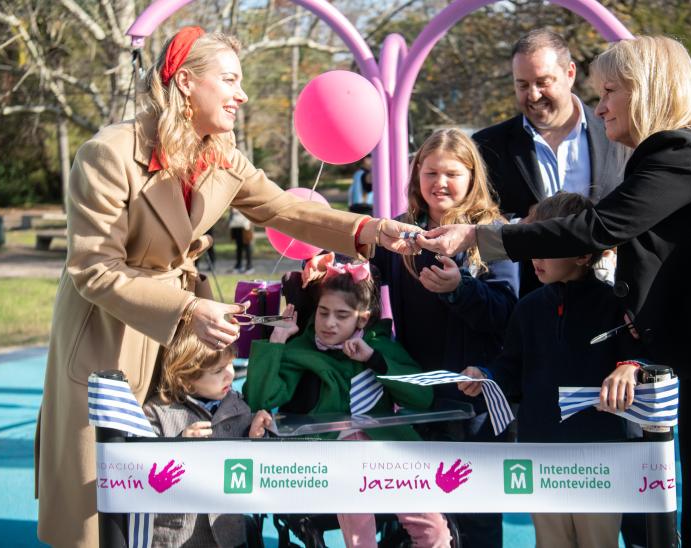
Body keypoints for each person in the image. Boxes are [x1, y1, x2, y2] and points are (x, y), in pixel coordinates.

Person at [420, 36, 691, 547]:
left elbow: (596, 227)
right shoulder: (667, 155)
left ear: (647, 90)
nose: (599, 106)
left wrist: (480, 235)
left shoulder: (680, 151)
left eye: (609, 91)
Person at [36, 26, 422, 547]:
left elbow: (285, 209)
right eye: (230, 80)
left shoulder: (220, 152)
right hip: (111, 334)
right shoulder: (108, 153)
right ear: (187, 83)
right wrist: (189, 306)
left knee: (181, 486)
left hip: (180, 336)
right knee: (106, 503)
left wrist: (369, 230)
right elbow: (93, 269)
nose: (242, 94)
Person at [458, 193, 638, 548]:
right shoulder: (528, 308)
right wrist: (487, 377)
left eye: (544, 247)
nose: (534, 257)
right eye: (532, 245)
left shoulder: (616, 307)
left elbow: (638, 359)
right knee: (550, 541)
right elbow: (511, 367)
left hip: (600, 454)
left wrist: (629, 367)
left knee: (597, 541)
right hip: (541, 448)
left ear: (584, 254)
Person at [370, 128, 518, 548]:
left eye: (451, 173)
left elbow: (508, 312)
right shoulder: (401, 233)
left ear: (472, 176)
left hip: (476, 402)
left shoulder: (491, 232)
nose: (440, 183)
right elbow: (361, 276)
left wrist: (459, 289)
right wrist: (340, 270)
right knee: (424, 524)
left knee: (476, 524)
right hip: (417, 399)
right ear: (416, 175)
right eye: (430, 172)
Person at [243, 264, 451, 548]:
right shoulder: (302, 350)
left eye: (342, 316)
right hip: (334, 457)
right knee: (360, 540)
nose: (329, 323)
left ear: (362, 319)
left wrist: (375, 360)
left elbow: (422, 398)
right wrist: (277, 341)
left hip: (390, 454)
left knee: (436, 533)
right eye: (323, 312)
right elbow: (260, 399)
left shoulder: (380, 347)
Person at [473, 29, 627, 297]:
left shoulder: (618, 134)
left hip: (610, 301)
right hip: (527, 304)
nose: (533, 95)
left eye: (543, 82)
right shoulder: (488, 146)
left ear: (570, 73)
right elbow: (475, 217)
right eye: (522, 85)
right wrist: (523, 223)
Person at [143, 327, 271, 546]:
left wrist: (255, 436)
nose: (230, 373)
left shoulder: (238, 407)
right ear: (186, 379)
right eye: (218, 370)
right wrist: (179, 446)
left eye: (231, 363)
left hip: (228, 533)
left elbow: (253, 473)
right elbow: (146, 478)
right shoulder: (157, 412)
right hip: (177, 537)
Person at [228, 207, 254, 274]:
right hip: (236, 225)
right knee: (238, 247)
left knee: (247, 246)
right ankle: (238, 265)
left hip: (245, 225)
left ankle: (249, 266)